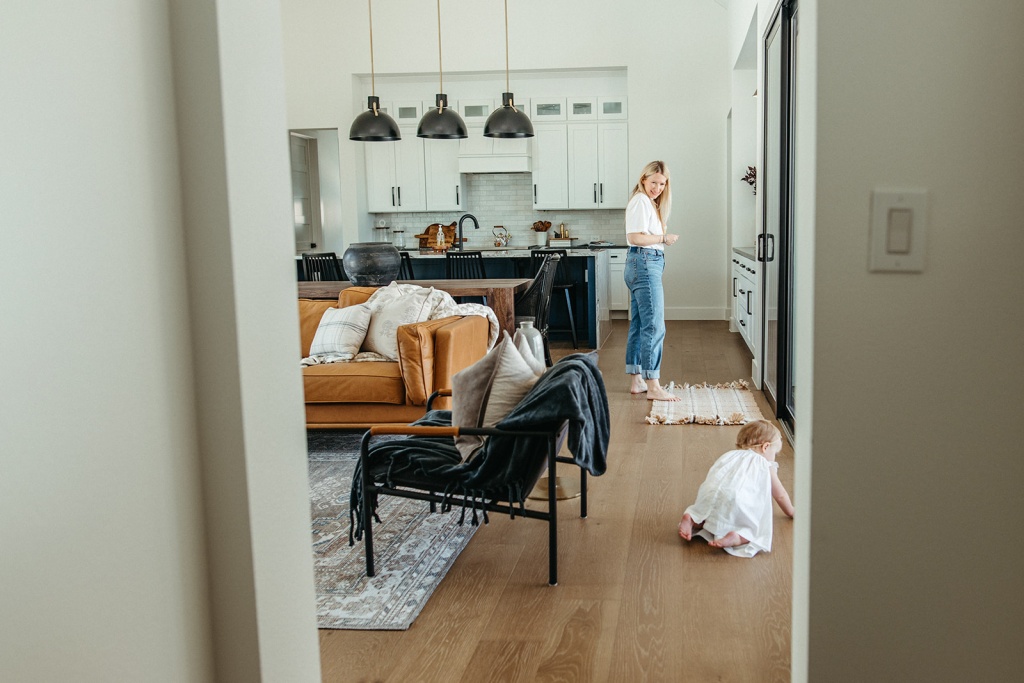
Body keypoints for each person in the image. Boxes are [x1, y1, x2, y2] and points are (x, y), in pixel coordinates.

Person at [678, 420, 795, 558]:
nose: (773, 457)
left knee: (708, 515)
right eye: (774, 452)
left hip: (711, 494)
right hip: (737, 499)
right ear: (765, 447)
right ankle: (736, 537)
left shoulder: (730, 455)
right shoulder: (764, 464)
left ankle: (692, 518)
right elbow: (780, 494)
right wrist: (791, 511)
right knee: (755, 530)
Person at [624, 160, 680, 401]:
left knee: (639, 324)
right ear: (643, 179)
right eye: (654, 182)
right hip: (645, 263)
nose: (657, 187)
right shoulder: (639, 201)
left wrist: (660, 234)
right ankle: (654, 386)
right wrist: (663, 238)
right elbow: (635, 237)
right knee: (655, 325)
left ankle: (637, 380)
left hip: (643, 264)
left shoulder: (648, 203)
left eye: (662, 183)